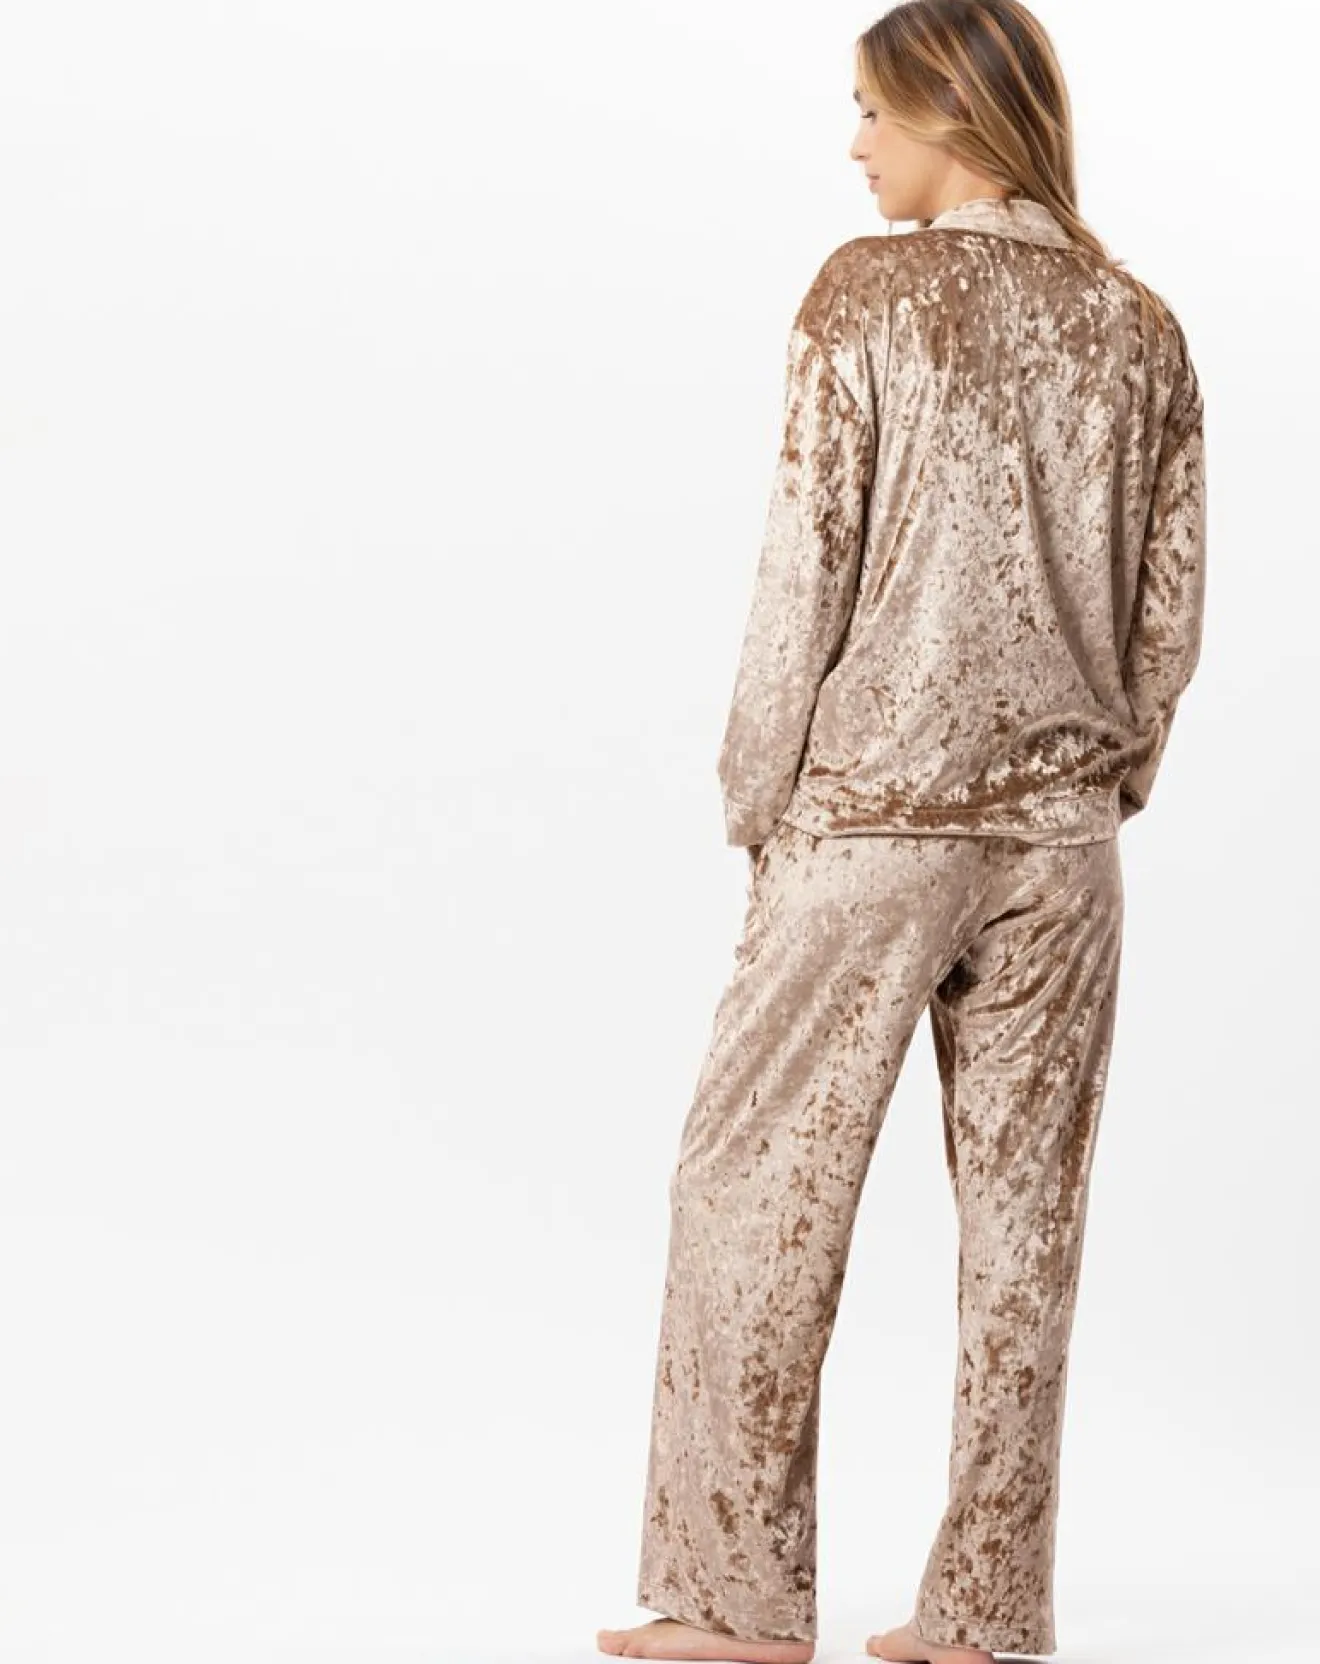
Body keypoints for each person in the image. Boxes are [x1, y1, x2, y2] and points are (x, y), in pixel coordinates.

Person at [597, 2, 1207, 1660]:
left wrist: (758, 798)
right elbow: (1168, 617)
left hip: (872, 821)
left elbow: (803, 571)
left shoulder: (867, 295)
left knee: (748, 1184)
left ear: (955, 112)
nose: (855, 142)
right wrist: (1104, 785)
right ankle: (985, 1614)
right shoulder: (1141, 327)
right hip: (1063, 853)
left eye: (874, 109)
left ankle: (736, 1603)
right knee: (1026, 1233)